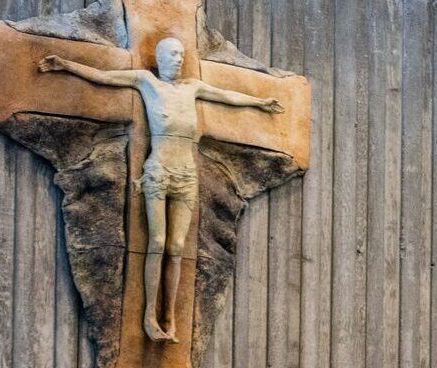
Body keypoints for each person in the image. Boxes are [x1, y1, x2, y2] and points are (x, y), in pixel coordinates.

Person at [38, 39, 283, 343]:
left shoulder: (192, 87)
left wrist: (259, 102)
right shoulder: (147, 82)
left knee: (177, 246)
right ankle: (149, 315)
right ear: (160, 58)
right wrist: (66, 65)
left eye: (181, 54)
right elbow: (103, 77)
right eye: (172, 54)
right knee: (157, 240)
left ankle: (169, 315)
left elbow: (225, 96)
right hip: (159, 172)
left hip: (187, 176)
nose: (178, 59)